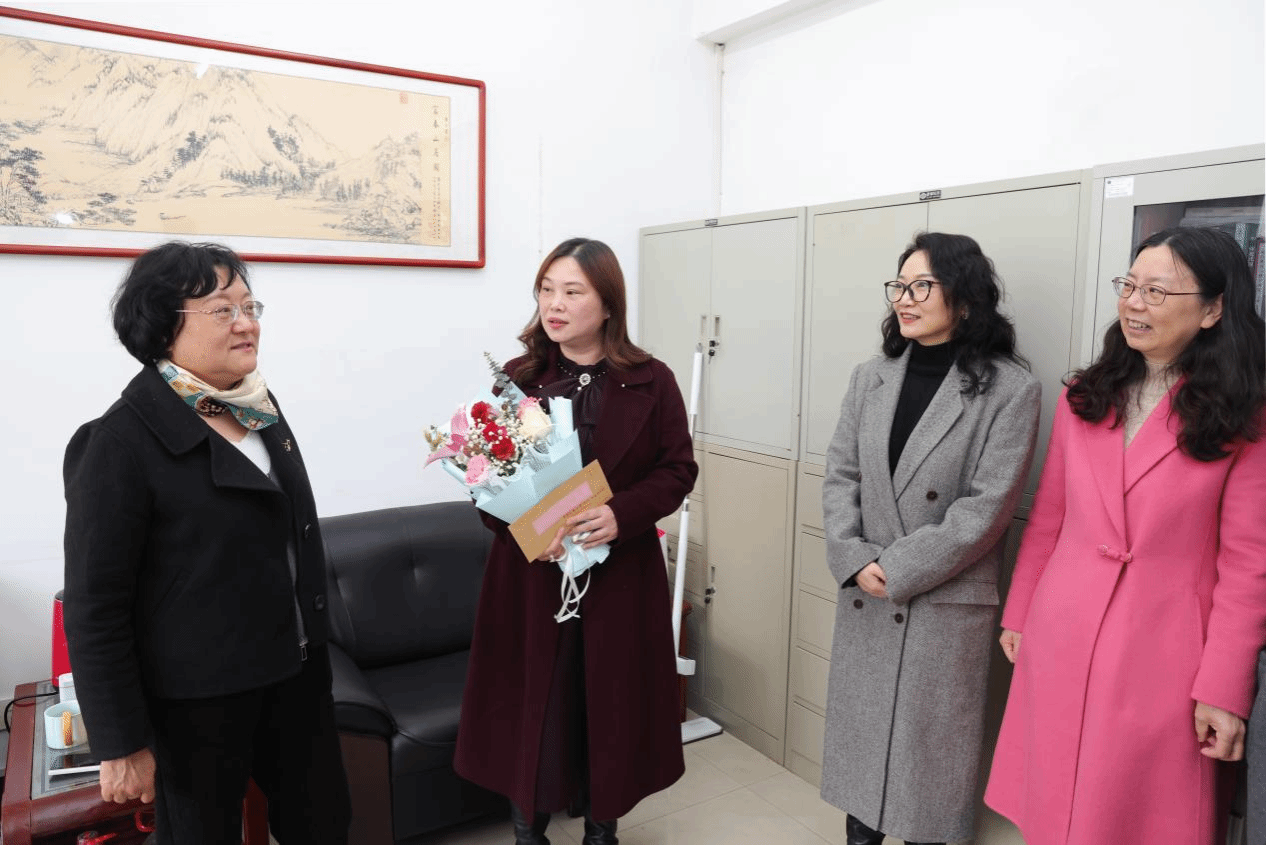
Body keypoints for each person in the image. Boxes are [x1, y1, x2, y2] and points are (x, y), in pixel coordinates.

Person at [985, 226, 1266, 844]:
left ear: (1214, 309)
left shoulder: (1245, 415)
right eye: (1129, 286)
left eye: (1157, 292)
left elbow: (1249, 567)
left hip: (1165, 654)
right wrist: (1021, 611)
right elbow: (1050, 517)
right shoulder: (1087, 395)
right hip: (1062, 630)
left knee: (1134, 817)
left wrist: (1224, 688)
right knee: (1054, 806)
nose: (1134, 304)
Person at [62, 242, 350, 844]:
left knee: (324, 824)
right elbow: (96, 606)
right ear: (164, 326)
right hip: (199, 699)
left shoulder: (256, 405)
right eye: (223, 310)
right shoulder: (118, 443)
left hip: (296, 673)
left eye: (250, 306)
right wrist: (121, 741)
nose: (246, 324)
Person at [453, 237, 696, 845]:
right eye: (546, 290)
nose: (554, 305)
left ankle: (600, 831)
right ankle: (527, 833)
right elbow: (485, 476)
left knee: (608, 708)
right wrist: (526, 531)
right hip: (532, 580)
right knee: (534, 707)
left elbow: (677, 470)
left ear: (608, 304)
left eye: (571, 292)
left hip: (619, 577)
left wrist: (621, 514)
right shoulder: (519, 378)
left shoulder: (652, 380)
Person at [820, 232, 1041, 845]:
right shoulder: (871, 377)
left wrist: (897, 568)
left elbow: (986, 508)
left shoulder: (1009, 389)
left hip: (942, 600)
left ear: (964, 299)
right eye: (899, 285)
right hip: (866, 589)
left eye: (922, 286)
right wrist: (853, 556)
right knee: (863, 758)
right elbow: (840, 474)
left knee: (929, 770)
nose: (904, 299)